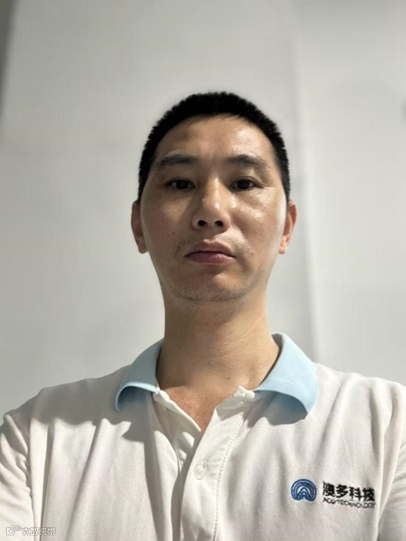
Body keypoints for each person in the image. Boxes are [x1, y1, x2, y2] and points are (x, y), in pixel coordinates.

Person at [0, 92, 405, 541]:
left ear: (286, 227)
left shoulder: (389, 427)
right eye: (180, 184)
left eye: (244, 183)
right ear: (139, 226)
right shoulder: (36, 436)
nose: (211, 210)